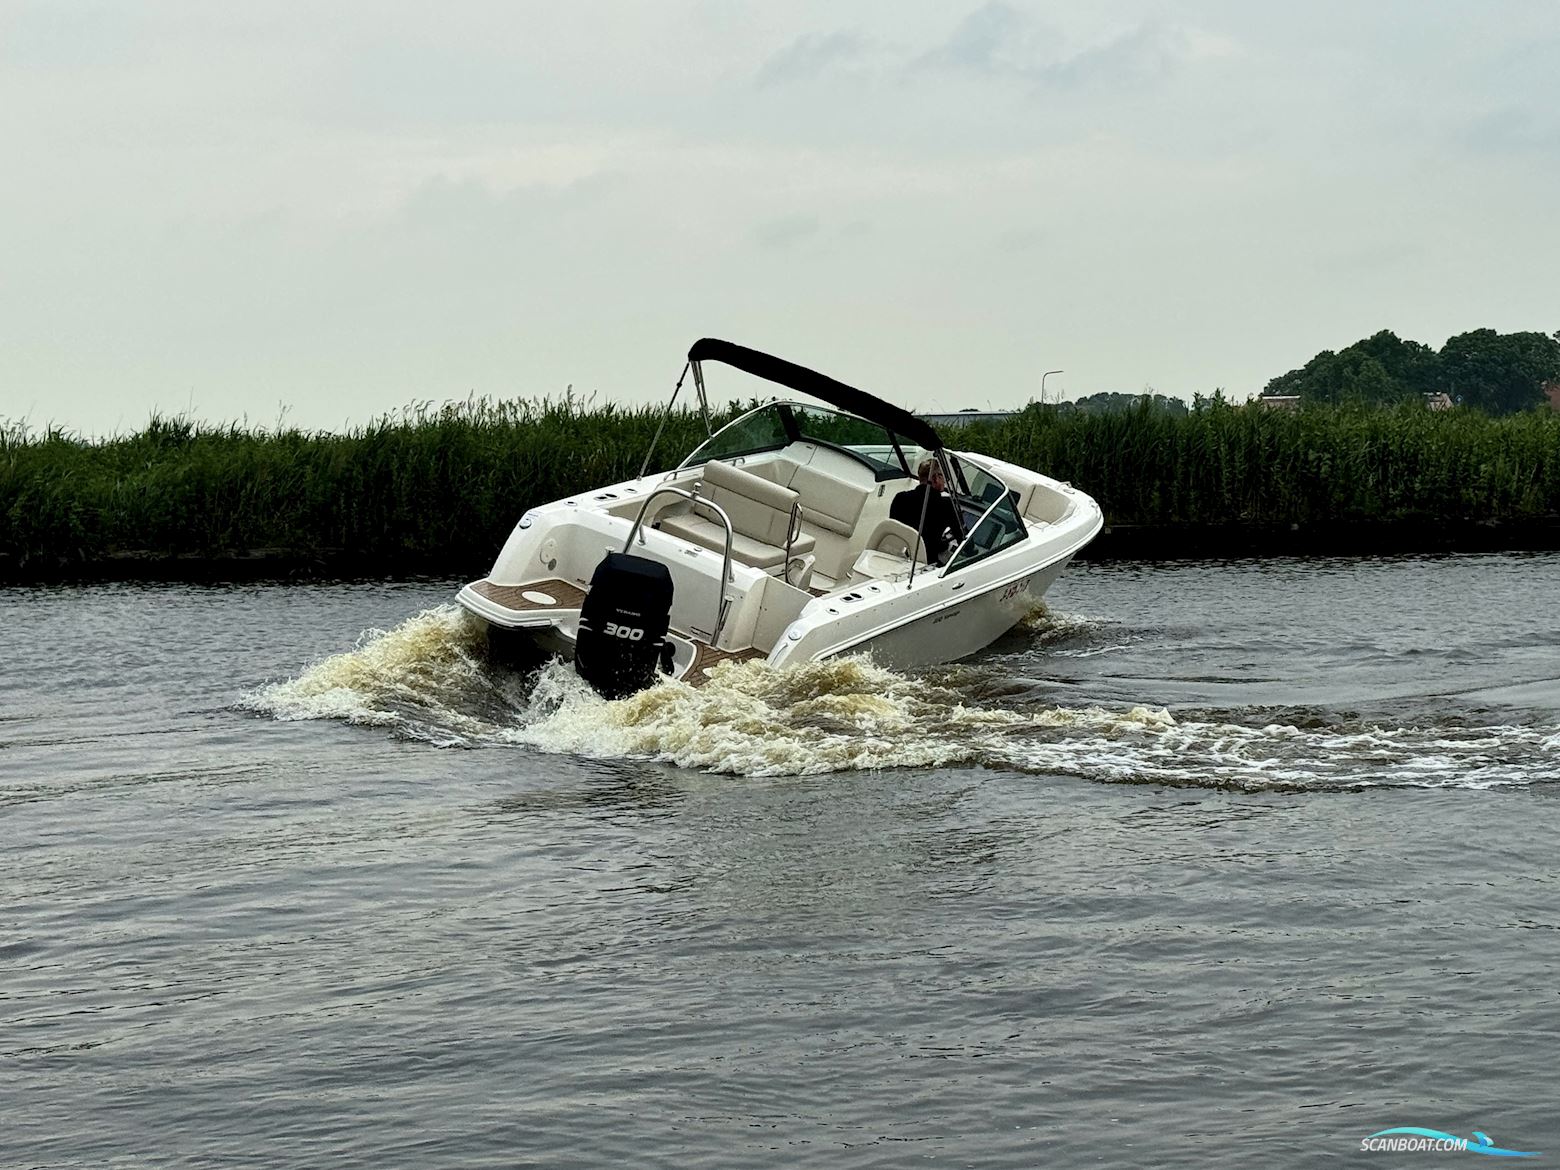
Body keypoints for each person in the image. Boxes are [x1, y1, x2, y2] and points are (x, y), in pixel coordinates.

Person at [890, 457, 960, 564]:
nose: (944, 481)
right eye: (942, 476)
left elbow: (896, 531)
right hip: (925, 562)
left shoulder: (900, 498)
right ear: (935, 478)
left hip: (898, 557)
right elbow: (961, 536)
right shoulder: (946, 505)